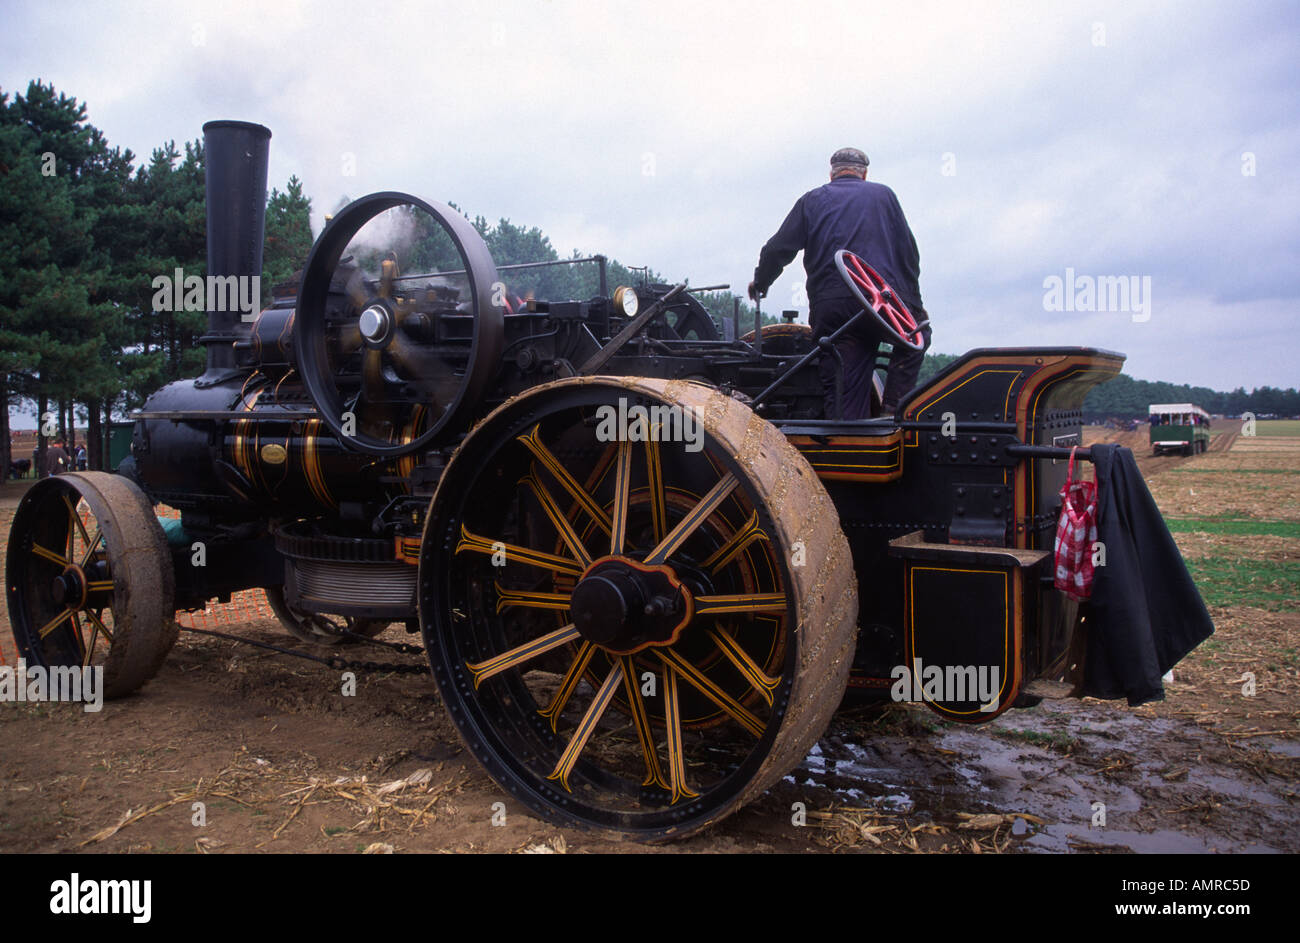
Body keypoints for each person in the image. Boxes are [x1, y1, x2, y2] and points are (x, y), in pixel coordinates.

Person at [748, 147, 931, 419]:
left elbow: (777, 249)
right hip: (884, 305)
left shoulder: (812, 200)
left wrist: (762, 282)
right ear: (864, 174)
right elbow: (909, 255)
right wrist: (913, 308)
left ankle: (846, 437)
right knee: (918, 337)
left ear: (831, 173)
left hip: (833, 308)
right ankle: (894, 409)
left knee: (845, 391)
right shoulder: (885, 196)